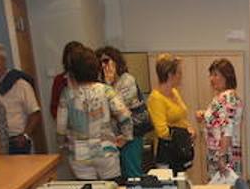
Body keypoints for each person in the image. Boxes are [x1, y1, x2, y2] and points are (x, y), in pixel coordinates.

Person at [55, 45, 130, 181]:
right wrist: (126, 136)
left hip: (79, 154)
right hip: (106, 151)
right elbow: (124, 115)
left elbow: (60, 128)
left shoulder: (67, 95)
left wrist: (62, 144)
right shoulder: (106, 90)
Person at [97, 46, 149, 179]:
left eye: (106, 61)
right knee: (117, 178)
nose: (104, 65)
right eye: (100, 62)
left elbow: (118, 107)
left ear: (116, 61)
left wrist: (108, 85)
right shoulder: (100, 85)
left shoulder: (127, 80)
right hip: (113, 138)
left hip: (132, 134)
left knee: (132, 176)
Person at [0, 42, 41, 154]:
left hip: (17, 141)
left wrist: (25, 135)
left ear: (2, 60)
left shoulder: (21, 84)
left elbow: (35, 113)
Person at [196, 58, 242, 183]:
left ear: (227, 76)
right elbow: (219, 120)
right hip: (218, 153)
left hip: (225, 154)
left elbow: (227, 128)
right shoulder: (221, 97)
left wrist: (221, 158)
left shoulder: (228, 97)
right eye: (211, 75)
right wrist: (205, 114)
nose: (212, 78)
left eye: (216, 75)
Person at [146, 54, 193, 173]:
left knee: (182, 185)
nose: (181, 76)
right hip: (168, 152)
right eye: (179, 73)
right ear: (170, 75)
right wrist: (184, 134)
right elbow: (162, 131)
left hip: (180, 149)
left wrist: (189, 128)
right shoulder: (156, 98)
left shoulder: (174, 93)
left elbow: (182, 116)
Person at [50, 40, 84, 119]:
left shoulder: (89, 77)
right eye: (71, 57)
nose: (74, 60)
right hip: (68, 125)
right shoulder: (59, 80)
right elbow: (54, 107)